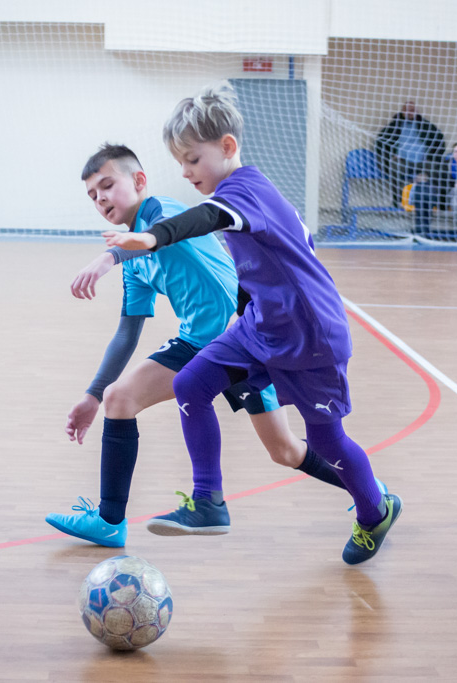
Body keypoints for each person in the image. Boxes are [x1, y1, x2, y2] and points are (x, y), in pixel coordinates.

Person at [104, 83, 401, 566]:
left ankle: (376, 511)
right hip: (261, 327)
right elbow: (277, 255)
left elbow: (205, 218)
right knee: (191, 384)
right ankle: (208, 502)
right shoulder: (250, 197)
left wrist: (154, 237)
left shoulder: (242, 192)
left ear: (227, 146)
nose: (185, 171)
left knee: (326, 441)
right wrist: (249, 307)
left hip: (311, 336)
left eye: (192, 159)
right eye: (180, 162)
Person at [47, 143, 382, 548]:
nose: (100, 198)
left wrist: (109, 257)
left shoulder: (161, 211)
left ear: (138, 181)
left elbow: (173, 228)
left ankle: (371, 494)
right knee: (119, 398)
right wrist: (92, 395)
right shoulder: (134, 262)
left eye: (106, 185)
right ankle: (111, 520)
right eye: (92, 195)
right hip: (207, 343)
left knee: (286, 451)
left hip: (240, 335)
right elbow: (126, 333)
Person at [374, 100, 446, 208]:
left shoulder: (425, 125)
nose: (410, 112)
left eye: (412, 110)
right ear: (402, 111)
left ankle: (438, 203)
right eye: (407, 110)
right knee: (394, 167)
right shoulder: (394, 125)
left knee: (436, 168)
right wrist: (391, 156)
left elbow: (439, 140)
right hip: (402, 161)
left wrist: (430, 157)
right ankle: (398, 201)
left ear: (416, 111)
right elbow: (380, 141)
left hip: (422, 161)